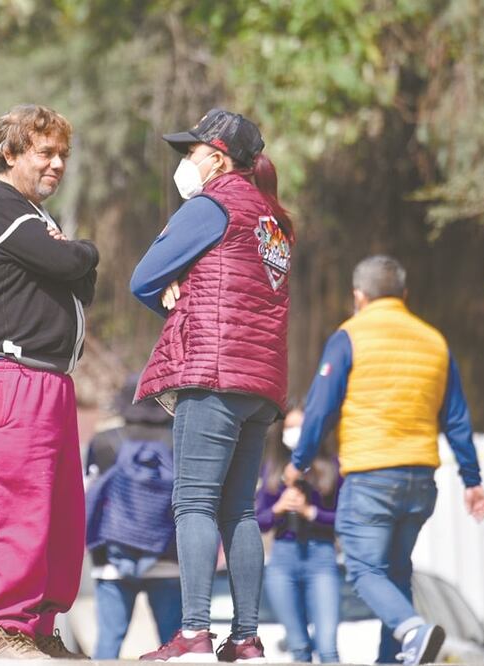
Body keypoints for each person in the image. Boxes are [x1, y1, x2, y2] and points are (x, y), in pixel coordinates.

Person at [131, 109, 294, 662]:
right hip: (260, 382)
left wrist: (172, 286)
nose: (185, 161)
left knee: (194, 503)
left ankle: (195, 631)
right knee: (239, 510)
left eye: (192, 152)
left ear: (219, 158)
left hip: (213, 371)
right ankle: (245, 638)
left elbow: (143, 277)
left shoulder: (211, 206)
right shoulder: (274, 220)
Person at [284, 255, 484, 666]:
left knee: (364, 570)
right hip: (420, 481)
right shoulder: (434, 341)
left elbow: (320, 409)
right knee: (396, 573)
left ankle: (413, 630)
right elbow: (456, 418)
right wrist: (472, 480)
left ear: (358, 296)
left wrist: (300, 460)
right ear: (404, 294)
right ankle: (392, 658)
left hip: (371, 478)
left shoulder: (348, 336)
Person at [0, 104, 98, 659]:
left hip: (49, 379)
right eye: (45, 152)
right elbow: (70, 267)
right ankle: (6, 630)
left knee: (59, 514)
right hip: (10, 375)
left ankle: (39, 627)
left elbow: (79, 284)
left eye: (63, 153)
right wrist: (82, 251)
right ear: (10, 153)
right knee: (15, 504)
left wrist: (72, 257)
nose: (57, 163)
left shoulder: (30, 215)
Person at [85, 376, 182, 660]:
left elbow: (90, 496)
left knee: (108, 643)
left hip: (112, 559)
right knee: (172, 647)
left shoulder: (105, 441)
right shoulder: (179, 439)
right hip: (169, 558)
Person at [257, 409, 342, 663]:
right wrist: (278, 508)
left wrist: (311, 512)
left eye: (301, 427)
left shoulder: (332, 467)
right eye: (290, 427)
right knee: (298, 646)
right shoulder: (273, 470)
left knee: (327, 647)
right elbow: (259, 522)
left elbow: (344, 520)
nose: (295, 434)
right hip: (282, 559)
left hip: (321, 557)